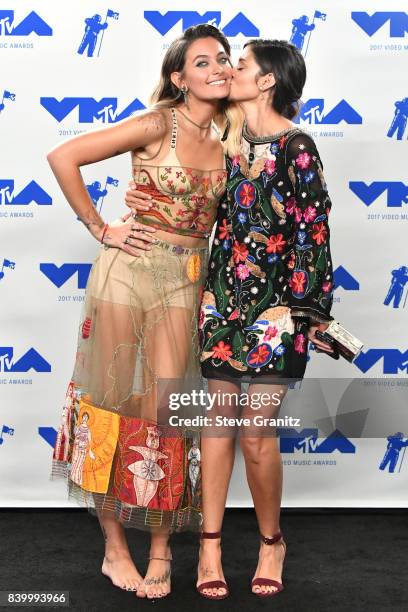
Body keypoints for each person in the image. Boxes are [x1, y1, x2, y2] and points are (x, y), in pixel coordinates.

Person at [125, 38, 336, 600]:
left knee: (256, 436)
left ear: (266, 81)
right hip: (220, 302)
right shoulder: (227, 141)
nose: (228, 72)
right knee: (216, 429)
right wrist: (141, 201)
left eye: (239, 65)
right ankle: (210, 548)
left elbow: (313, 233)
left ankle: (272, 543)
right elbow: (187, 194)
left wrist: (307, 312)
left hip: (277, 311)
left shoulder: (299, 147)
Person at [48, 24, 232, 600]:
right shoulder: (159, 122)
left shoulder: (234, 132)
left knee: (169, 410)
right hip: (129, 274)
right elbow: (64, 155)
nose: (218, 69)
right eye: (202, 62)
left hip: (186, 282)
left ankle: (160, 548)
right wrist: (102, 227)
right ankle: (114, 547)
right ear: (179, 77)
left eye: (223, 60)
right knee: (110, 402)